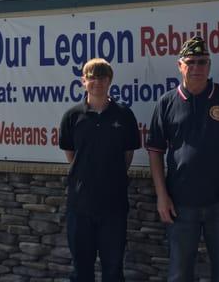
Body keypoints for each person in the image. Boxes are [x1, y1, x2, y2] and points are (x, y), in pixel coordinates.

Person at [147, 36, 219, 282]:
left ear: (209, 65)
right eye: (191, 62)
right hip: (180, 203)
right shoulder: (166, 103)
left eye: (203, 62)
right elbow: (155, 150)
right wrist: (162, 196)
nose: (197, 67)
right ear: (180, 65)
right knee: (179, 273)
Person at [59, 58, 141, 282]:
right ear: (83, 81)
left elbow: (127, 154)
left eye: (102, 77)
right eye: (92, 77)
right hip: (80, 206)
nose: (97, 82)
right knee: (81, 270)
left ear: (110, 81)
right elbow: (71, 154)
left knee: (113, 270)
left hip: (113, 207)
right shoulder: (72, 116)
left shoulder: (124, 115)